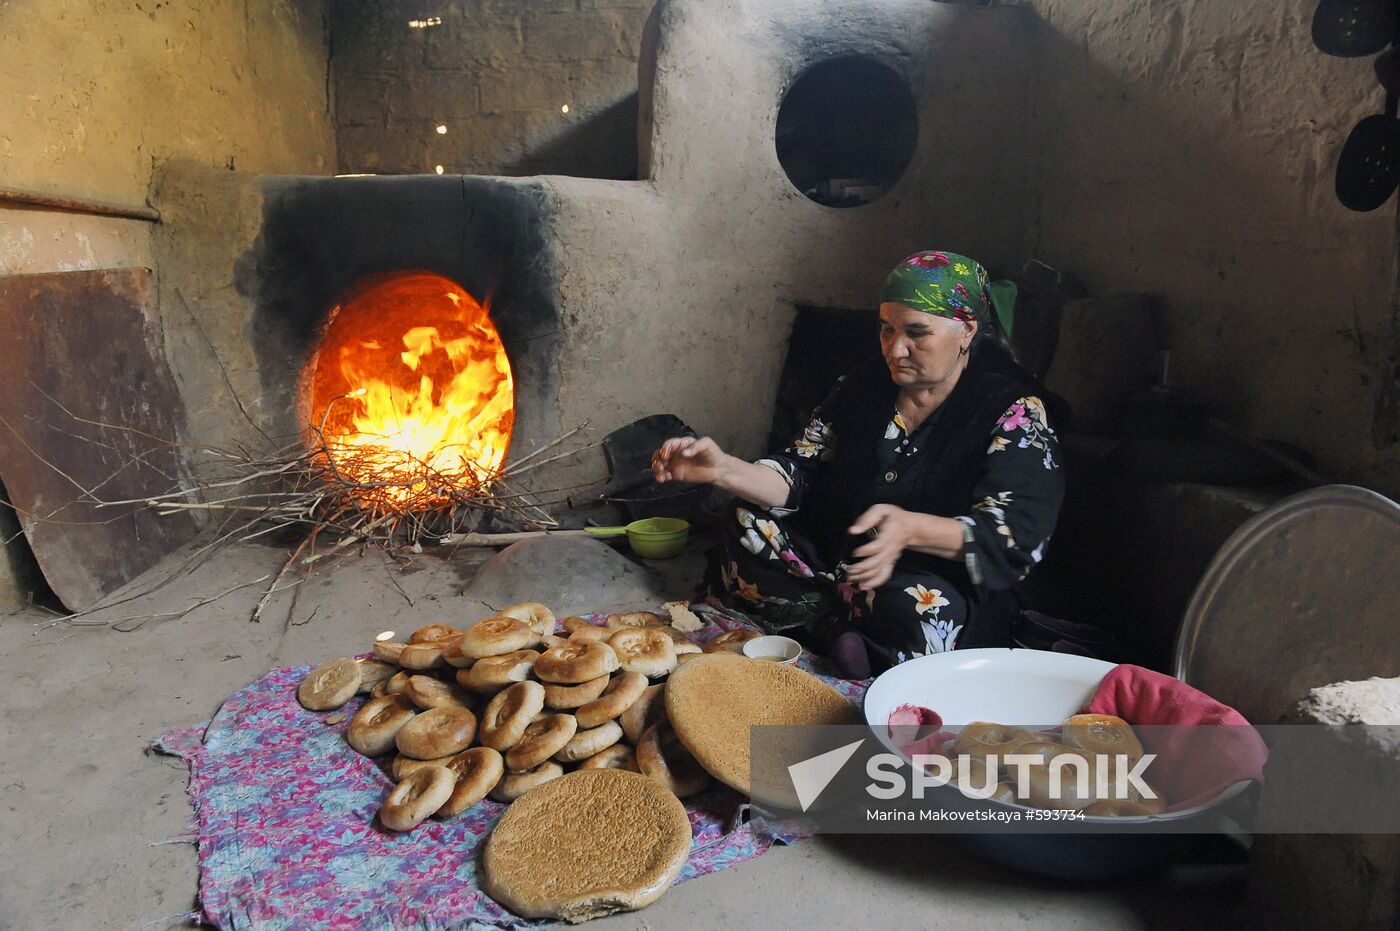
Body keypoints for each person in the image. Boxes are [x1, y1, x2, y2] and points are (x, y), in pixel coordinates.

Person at [652, 250, 1065, 678]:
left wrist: (910, 528)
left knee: (921, 610)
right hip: (836, 552)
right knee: (745, 522)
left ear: (966, 331)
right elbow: (800, 470)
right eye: (886, 329)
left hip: (924, 574)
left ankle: (838, 628)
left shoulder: (1010, 410)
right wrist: (725, 470)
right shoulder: (862, 385)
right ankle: (830, 627)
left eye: (917, 333)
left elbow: (1016, 534)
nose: (895, 348)